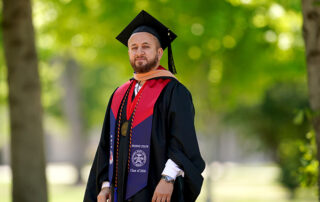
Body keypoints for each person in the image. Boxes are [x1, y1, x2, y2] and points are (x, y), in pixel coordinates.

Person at [84, 10, 205, 202]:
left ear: (159, 52)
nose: (139, 52)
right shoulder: (119, 95)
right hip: (119, 193)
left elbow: (182, 140)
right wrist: (105, 184)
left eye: (145, 46)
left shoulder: (174, 92)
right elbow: (105, 145)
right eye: (134, 47)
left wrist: (168, 178)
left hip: (157, 191)